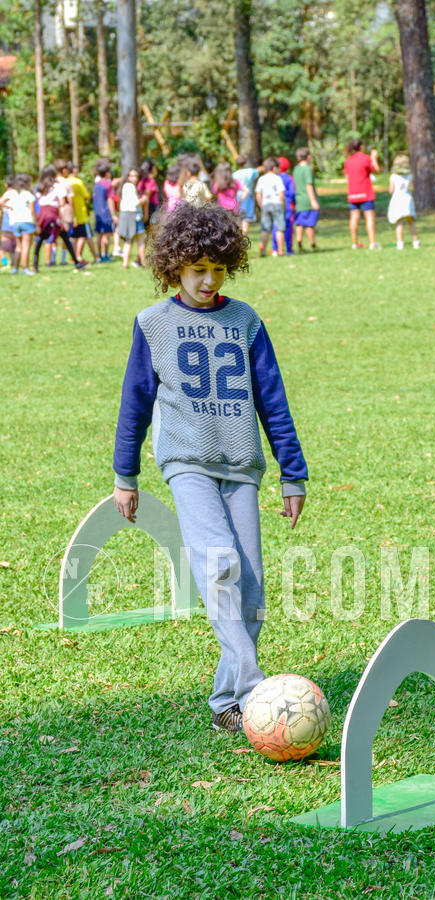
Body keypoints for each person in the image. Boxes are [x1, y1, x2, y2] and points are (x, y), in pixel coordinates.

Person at [112, 200, 308, 733]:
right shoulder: (153, 324)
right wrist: (125, 476)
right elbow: (134, 403)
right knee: (219, 564)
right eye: (198, 269)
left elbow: (273, 400)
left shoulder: (246, 321)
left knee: (251, 587)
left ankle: (226, 702)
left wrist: (292, 473)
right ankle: (253, 687)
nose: (208, 280)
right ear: (173, 266)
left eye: (218, 269)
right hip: (187, 462)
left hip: (241, 463)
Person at [32, 165, 86, 272]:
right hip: (53, 213)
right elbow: (61, 204)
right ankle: (77, 262)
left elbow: (37, 200)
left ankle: (35, 265)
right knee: (65, 237)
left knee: (40, 239)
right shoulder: (57, 186)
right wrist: (64, 220)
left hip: (42, 213)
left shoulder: (40, 186)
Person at [344, 138, 381, 250]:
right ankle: (372, 242)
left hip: (353, 193)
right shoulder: (366, 158)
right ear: (361, 146)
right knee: (369, 217)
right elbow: (376, 170)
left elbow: (347, 177)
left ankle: (354, 243)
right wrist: (374, 158)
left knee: (354, 217)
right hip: (365, 192)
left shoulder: (348, 161)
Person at [0, 173, 36, 274]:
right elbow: (32, 211)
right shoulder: (28, 194)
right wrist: (37, 225)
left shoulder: (11, 193)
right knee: (26, 246)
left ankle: (15, 269)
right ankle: (25, 268)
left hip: (15, 223)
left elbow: (1, 202)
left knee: (18, 246)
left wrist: (9, 207)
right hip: (27, 222)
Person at [67, 162, 98, 263]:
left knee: (73, 237)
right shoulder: (78, 182)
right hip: (80, 214)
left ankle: (74, 257)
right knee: (84, 236)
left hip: (69, 215)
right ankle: (79, 256)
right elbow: (86, 196)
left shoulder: (65, 182)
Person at [387, 154, 420, 250]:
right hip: (407, 198)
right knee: (411, 221)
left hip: (397, 199)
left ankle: (400, 243)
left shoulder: (393, 176)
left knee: (399, 222)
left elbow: (391, 190)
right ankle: (416, 241)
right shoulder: (409, 176)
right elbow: (411, 187)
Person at [255, 157, 286, 257]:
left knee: (265, 229)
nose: (279, 170)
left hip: (265, 204)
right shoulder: (277, 178)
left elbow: (258, 194)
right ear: (274, 167)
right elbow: (281, 194)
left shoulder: (261, 179)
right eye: (278, 167)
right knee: (279, 228)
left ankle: (263, 251)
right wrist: (283, 205)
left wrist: (261, 205)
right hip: (277, 204)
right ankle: (280, 250)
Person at [118, 167, 146, 269]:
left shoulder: (126, 186)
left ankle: (125, 263)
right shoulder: (130, 186)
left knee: (129, 240)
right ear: (128, 177)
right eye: (132, 176)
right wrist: (143, 200)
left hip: (127, 215)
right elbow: (135, 203)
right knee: (140, 240)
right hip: (134, 216)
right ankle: (143, 262)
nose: (134, 178)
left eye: (136, 176)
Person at [293, 147, 320, 252]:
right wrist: (313, 200)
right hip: (307, 200)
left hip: (299, 200)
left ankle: (299, 244)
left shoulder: (296, 169)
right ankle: (312, 244)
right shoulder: (307, 169)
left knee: (299, 223)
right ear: (307, 156)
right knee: (309, 224)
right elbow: (308, 185)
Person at [93, 160, 118, 261]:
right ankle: (106, 255)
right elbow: (110, 199)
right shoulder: (108, 185)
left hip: (98, 213)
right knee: (106, 235)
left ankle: (99, 255)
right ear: (107, 173)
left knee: (99, 235)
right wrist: (113, 214)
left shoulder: (96, 184)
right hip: (106, 213)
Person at [271, 157, 295, 255]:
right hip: (288, 206)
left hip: (275, 205)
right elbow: (292, 193)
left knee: (275, 227)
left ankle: (275, 249)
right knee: (288, 228)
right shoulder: (289, 178)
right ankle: (288, 249)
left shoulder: (273, 178)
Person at [233, 154, 259, 235]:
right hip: (248, 196)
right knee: (246, 219)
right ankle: (244, 236)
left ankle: (238, 235)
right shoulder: (250, 171)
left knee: (238, 217)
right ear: (246, 162)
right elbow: (257, 172)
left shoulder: (234, 174)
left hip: (237, 197)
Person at [138, 159, 160, 227]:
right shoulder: (150, 181)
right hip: (150, 208)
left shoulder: (142, 180)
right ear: (152, 169)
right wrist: (146, 214)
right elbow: (146, 196)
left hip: (143, 207)